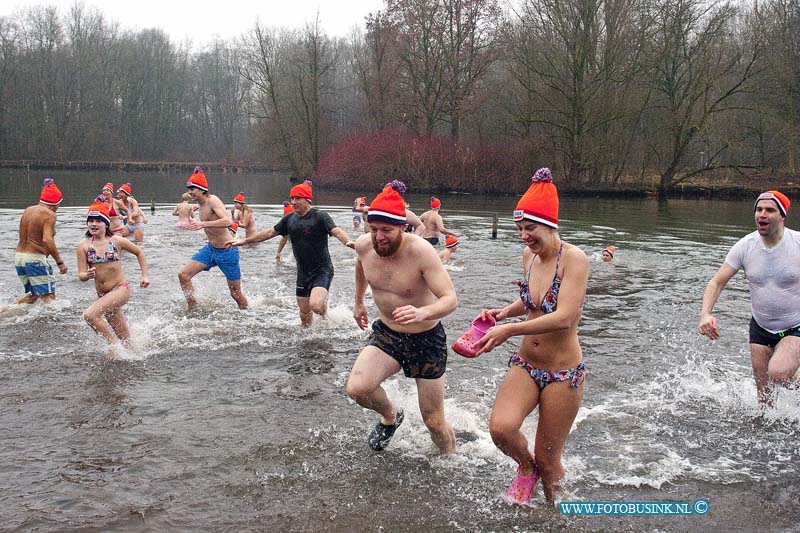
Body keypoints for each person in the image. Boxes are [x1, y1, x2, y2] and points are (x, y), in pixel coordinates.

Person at [472, 168, 589, 506]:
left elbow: (564, 316)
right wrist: (501, 314)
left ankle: (557, 519)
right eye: (520, 229)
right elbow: (532, 301)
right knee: (501, 429)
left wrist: (508, 330)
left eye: (530, 228)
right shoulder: (529, 256)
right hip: (527, 363)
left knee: (550, 461)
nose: (524, 236)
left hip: (562, 373)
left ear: (550, 225)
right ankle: (525, 468)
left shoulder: (575, 260)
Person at [346, 182, 458, 453]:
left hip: (426, 338)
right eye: (374, 229)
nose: (379, 236)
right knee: (358, 389)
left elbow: (450, 299)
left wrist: (422, 311)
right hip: (388, 333)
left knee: (433, 421)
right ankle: (391, 416)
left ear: (403, 227)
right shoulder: (364, 246)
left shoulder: (421, 251)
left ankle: (450, 461)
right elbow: (360, 266)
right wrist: (359, 301)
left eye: (387, 230)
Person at [699, 190, 800, 404]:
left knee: (778, 374)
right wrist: (705, 314)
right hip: (760, 326)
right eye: (759, 209)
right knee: (764, 401)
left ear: (782, 216)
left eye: (770, 210)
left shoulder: (797, 243)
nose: (762, 214)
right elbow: (716, 282)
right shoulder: (746, 246)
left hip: (795, 325)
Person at [231, 180, 354, 326]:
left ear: (307, 200)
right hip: (303, 271)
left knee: (315, 306)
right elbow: (269, 233)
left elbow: (336, 230)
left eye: (298, 198)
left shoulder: (320, 216)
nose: (294, 202)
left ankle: (325, 314)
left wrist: (348, 241)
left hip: (322, 270)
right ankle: (307, 338)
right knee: (304, 313)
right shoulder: (289, 219)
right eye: (292, 199)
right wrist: (244, 241)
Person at [76, 196, 149, 349]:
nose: (94, 224)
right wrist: (86, 275)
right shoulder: (83, 245)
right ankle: (131, 353)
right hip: (103, 295)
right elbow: (81, 274)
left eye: (98, 221)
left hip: (120, 289)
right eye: (91, 220)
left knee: (90, 316)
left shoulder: (116, 241)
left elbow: (139, 252)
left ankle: (114, 347)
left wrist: (144, 276)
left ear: (106, 223)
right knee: (126, 340)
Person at [178, 167, 248, 311]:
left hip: (227, 250)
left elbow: (228, 221)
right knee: (183, 275)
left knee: (235, 294)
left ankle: (247, 313)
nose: (190, 192)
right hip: (211, 250)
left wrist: (203, 224)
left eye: (193, 189)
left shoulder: (213, 200)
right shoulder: (199, 205)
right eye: (188, 189)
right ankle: (193, 308)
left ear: (202, 190)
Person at [14, 178, 69, 303]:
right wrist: (59, 262)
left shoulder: (28, 210)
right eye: (59, 204)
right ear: (55, 203)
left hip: (19, 258)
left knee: (34, 296)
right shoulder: (49, 214)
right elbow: (46, 240)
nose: (58, 207)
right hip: (35, 259)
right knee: (50, 300)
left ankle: (4, 312)